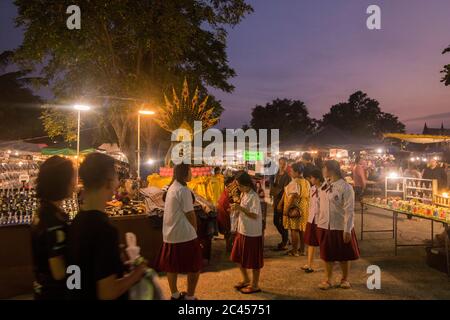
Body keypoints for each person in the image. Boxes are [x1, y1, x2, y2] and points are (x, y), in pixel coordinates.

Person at [67, 153, 147, 300]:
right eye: (116, 177)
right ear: (109, 182)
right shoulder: (104, 229)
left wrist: (114, 257)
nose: (118, 182)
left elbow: (75, 278)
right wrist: (138, 273)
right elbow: (108, 293)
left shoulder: (76, 222)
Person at [156, 163, 203, 300]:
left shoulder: (172, 187)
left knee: (172, 266)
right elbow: (190, 213)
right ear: (184, 174)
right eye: (190, 172)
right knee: (194, 266)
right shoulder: (183, 190)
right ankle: (190, 296)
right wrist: (195, 229)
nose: (192, 174)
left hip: (170, 233)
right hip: (184, 234)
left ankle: (175, 295)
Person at [31, 156, 76, 300]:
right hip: (56, 294)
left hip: (43, 290)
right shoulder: (53, 220)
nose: (75, 183)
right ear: (62, 182)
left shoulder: (44, 212)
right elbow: (58, 272)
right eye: (72, 178)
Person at [317, 160, 360, 290]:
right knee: (327, 254)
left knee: (343, 255)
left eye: (323, 168)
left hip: (340, 226)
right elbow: (320, 206)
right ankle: (328, 279)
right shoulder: (325, 185)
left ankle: (345, 279)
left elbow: (349, 210)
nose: (322, 171)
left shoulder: (345, 187)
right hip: (325, 225)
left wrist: (347, 229)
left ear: (330, 170)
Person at [230, 172, 264, 294]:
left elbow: (254, 214)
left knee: (254, 261)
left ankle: (255, 285)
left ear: (246, 184)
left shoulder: (253, 196)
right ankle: (246, 278)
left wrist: (240, 208)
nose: (238, 188)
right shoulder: (244, 193)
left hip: (252, 232)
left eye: (239, 185)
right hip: (242, 230)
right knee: (237, 257)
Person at [278, 163, 310, 257]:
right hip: (304, 207)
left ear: (296, 172)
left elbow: (292, 196)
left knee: (294, 229)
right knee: (302, 229)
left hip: (295, 208)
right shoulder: (306, 182)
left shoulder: (294, 182)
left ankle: (294, 251)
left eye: (292, 171)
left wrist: (286, 208)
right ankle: (302, 250)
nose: (290, 173)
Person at [302, 168, 324, 273]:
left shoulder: (325, 189)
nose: (310, 179)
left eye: (312, 177)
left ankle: (327, 264)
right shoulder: (312, 189)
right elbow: (311, 204)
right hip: (312, 219)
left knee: (323, 243)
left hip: (322, 219)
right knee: (311, 242)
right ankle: (309, 264)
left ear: (318, 178)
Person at [270, 157, 291, 251]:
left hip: (282, 201)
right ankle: (286, 239)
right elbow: (273, 188)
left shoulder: (287, 177)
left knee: (283, 223)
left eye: (284, 164)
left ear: (287, 165)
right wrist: (273, 201)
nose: (282, 165)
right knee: (275, 221)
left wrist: (280, 203)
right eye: (281, 163)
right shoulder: (276, 174)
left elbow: (286, 192)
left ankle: (285, 241)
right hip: (276, 200)